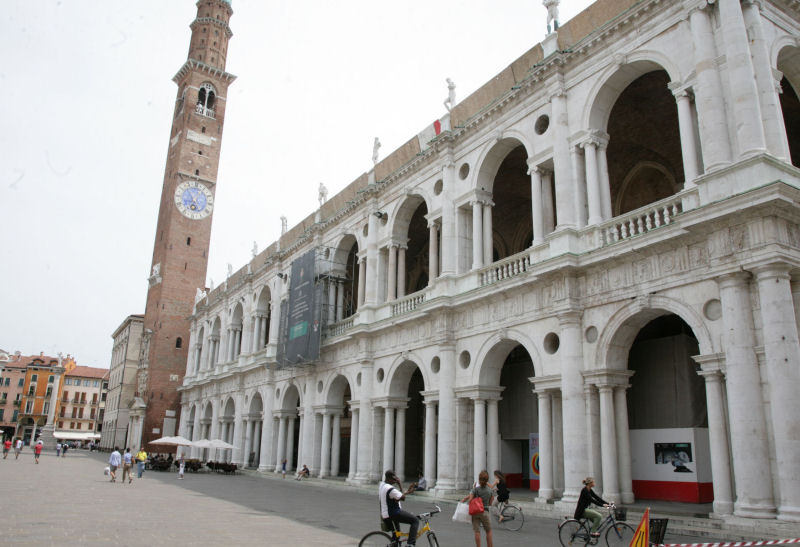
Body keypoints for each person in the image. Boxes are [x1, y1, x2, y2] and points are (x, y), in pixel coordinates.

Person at [379, 470, 418, 545]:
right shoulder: (390, 489)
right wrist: (399, 483)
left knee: (396, 536)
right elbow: (402, 497)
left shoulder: (382, 485)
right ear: (389, 479)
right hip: (393, 513)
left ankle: (393, 544)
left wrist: (407, 492)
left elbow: (396, 497)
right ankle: (410, 544)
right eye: (393, 479)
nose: (394, 480)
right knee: (415, 520)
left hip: (386, 514)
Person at [463, 470, 494, 547]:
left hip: (475, 512)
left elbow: (470, 500)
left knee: (477, 532)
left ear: (479, 479)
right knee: (488, 531)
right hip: (485, 512)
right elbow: (490, 503)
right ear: (487, 480)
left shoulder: (475, 489)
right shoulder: (490, 491)